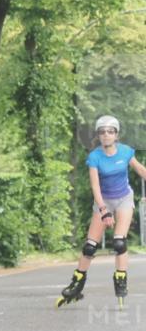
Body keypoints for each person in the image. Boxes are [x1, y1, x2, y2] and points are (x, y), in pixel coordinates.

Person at [56, 115, 146, 310]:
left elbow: (141, 170)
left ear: (116, 135)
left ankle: (121, 281)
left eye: (110, 131)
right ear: (98, 135)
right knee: (90, 246)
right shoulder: (95, 157)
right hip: (103, 200)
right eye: (102, 132)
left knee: (119, 242)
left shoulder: (125, 152)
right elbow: (95, 187)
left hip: (123, 199)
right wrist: (104, 211)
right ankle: (77, 283)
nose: (106, 135)